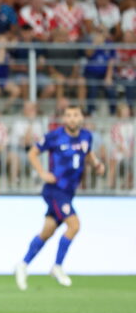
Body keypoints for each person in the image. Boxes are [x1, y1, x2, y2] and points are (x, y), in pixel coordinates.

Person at [14, 104, 106, 291]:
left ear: (81, 118)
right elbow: (33, 152)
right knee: (74, 225)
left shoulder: (86, 136)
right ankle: (57, 266)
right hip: (55, 190)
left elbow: (88, 154)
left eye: (76, 115)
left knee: (47, 232)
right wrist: (42, 173)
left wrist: (96, 164)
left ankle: (22, 265)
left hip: (69, 193)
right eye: (69, 115)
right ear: (64, 119)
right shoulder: (54, 136)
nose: (72, 118)